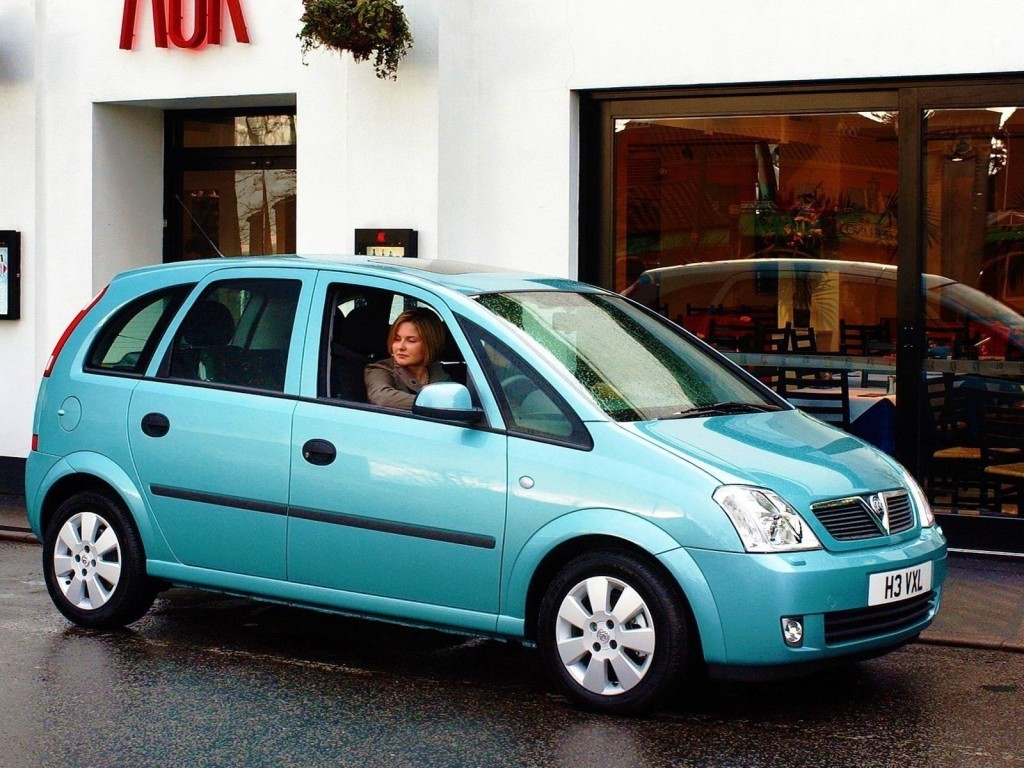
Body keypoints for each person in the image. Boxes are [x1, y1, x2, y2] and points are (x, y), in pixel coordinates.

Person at [364, 307, 450, 409]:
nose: (401, 347)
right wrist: (436, 403)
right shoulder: (380, 369)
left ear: (430, 343)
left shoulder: (441, 374)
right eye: (396, 339)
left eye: (411, 340)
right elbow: (382, 398)